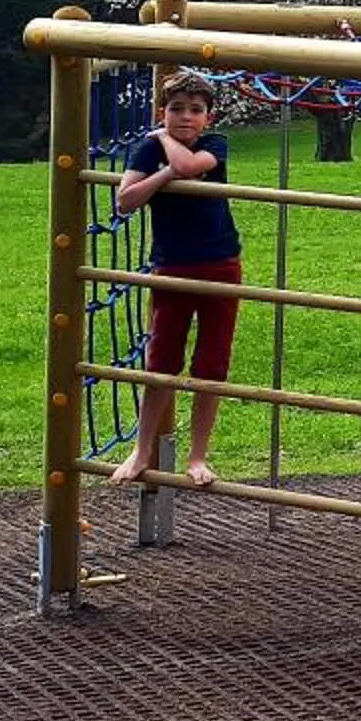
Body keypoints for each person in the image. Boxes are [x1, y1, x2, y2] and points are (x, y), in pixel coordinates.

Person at [108, 70, 242, 488]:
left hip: (220, 262)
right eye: (176, 110)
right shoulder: (147, 151)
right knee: (162, 359)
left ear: (209, 117)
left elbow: (187, 165)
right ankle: (142, 449)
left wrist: (163, 144)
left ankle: (198, 455)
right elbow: (125, 201)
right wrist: (164, 171)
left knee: (212, 362)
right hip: (172, 266)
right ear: (162, 111)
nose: (185, 118)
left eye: (195, 111)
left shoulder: (214, 144)